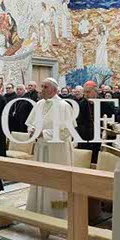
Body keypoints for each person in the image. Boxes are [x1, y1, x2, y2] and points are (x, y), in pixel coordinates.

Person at [26, 78, 76, 218]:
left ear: (54, 90)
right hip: (41, 148)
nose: (42, 89)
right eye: (41, 86)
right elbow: (31, 123)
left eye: (45, 87)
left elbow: (67, 131)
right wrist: (32, 130)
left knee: (56, 184)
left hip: (58, 151)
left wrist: (44, 133)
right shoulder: (39, 104)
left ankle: (58, 213)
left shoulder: (64, 106)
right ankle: (38, 211)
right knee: (40, 179)